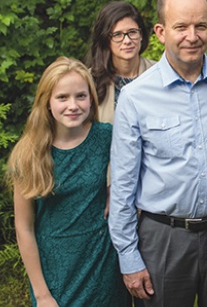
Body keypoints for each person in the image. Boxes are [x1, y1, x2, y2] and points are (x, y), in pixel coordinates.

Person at [108, 0, 207, 307]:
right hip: (163, 238)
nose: (192, 36)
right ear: (161, 32)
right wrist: (129, 257)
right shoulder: (136, 97)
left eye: (200, 26)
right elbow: (122, 185)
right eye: (181, 27)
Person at [9, 57, 129, 306]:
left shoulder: (106, 136)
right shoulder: (29, 153)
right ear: (47, 102)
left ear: (91, 98)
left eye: (81, 96)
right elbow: (24, 228)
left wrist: (113, 189)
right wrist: (42, 294)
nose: (73, 105)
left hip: (102, 265)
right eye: (62, 97)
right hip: (56, 274)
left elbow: (136, 172)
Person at [85, 1, 156, 124]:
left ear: (141, 35)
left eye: (132, 32)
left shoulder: (160, 73)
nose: (127, 41)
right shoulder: (88, 80)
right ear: (105, 40)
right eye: (118, 34)